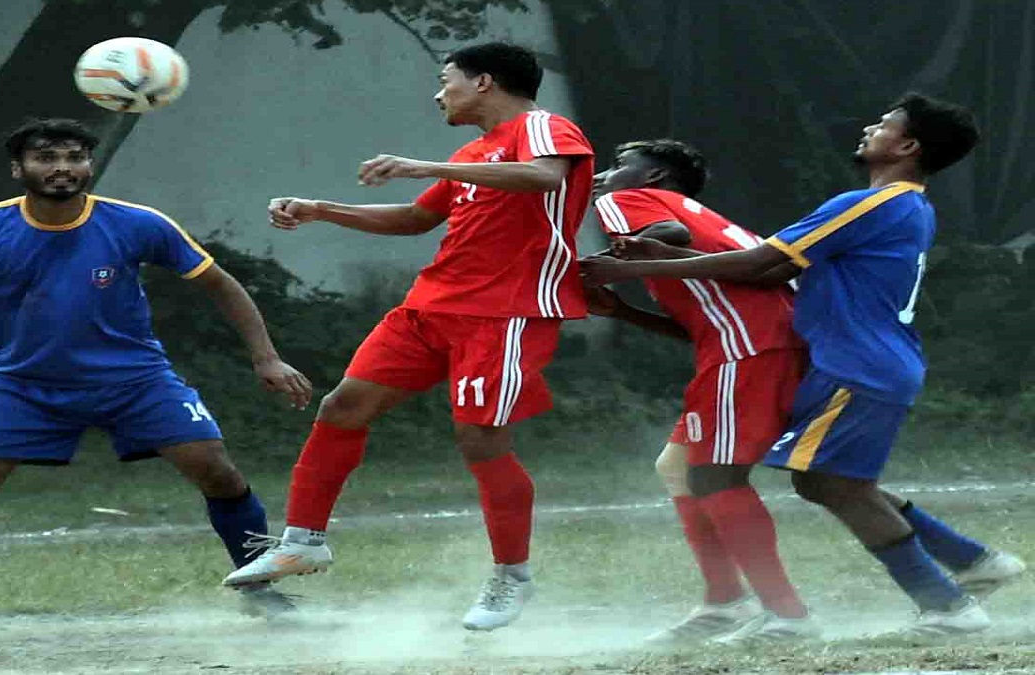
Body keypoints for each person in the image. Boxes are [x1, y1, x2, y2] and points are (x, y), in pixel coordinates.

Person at [580, 93, 1025, 638]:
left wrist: (634, 267)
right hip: (864, 360)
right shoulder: (909, 207)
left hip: (858, 363)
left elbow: (765, 265)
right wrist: (657, 275)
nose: (869, 128)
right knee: (824, 482)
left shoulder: (868, 204)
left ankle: (948, 607)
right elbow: (766, 269)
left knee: (837, 486)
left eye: (884, 124)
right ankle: (974, 563)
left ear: (907, 145)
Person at [0, 118, 313, 642]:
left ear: (88, 165)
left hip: (136, 380)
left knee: (217, 470)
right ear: (19, 168)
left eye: (74, 157)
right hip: (24, 385)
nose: (62, 168)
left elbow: (222, 286)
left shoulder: (136, 223)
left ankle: (263, 593)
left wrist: (265, 358)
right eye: (46, 158)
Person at [221, 42, 595, 631]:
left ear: (484, 82)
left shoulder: (543, 127)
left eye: (446, 80)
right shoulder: (473, 153)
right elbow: (416, 219)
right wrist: (322, 209)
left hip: (507, 315)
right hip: (430, 308)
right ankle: (302, 540)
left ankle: (511, 578)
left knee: (480, 442)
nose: (438, 92)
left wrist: (426, 165)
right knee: (343, 405)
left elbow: (545, 176)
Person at [588, 139, 817, 644]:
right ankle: (724, 603)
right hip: (751, 345)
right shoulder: (701, 215)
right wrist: (622, 310)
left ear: (652, 179)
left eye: (619, 166)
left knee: (715, 476)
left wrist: (612, 259)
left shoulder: (628, 203)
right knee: (678, 468)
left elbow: (665, 235)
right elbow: (700, 321)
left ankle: (788, 615)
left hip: (750, 349)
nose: (605, 177)